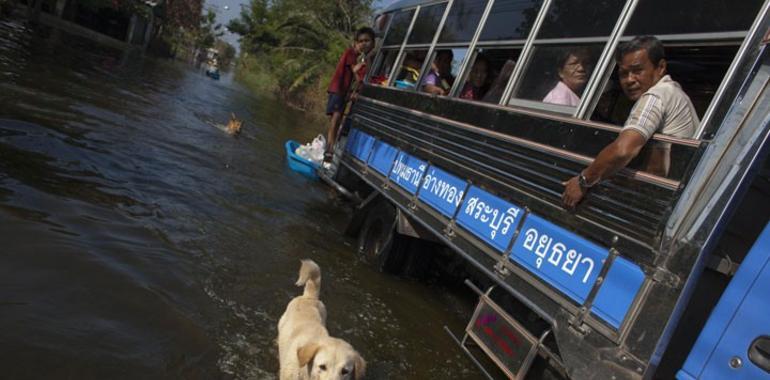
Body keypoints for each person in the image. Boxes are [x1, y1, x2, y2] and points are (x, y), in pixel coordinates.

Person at [562, 36, 699, 208]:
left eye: (637, 70)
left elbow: (623, 150)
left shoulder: (655, 97)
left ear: (661, 67)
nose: (629, 80)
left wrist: (583, 181)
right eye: (623, 74)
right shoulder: (672, 92)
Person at [324, 27, 375, 164]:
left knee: (338, 119)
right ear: (356, 43)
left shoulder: (358, 57)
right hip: (338, 90)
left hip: (343, 92)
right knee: (335, 120)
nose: (364, 44)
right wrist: (364, 65)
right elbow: (356, 72)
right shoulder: (351, 53)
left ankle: (331, 149)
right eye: (361, 41)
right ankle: (329, 151)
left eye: (367, 41)